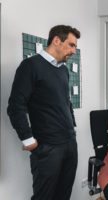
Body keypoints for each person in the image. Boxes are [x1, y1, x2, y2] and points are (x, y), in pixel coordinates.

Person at [7, 25, 80, 200]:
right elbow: (16, 106)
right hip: (48, 147)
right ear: (56, 40)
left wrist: (73, 126)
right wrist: (28, 139)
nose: (74, 51)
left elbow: (66, 101)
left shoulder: (63, 69)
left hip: (70, 143)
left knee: (64, 195)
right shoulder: (30, 66)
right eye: (71, 45)